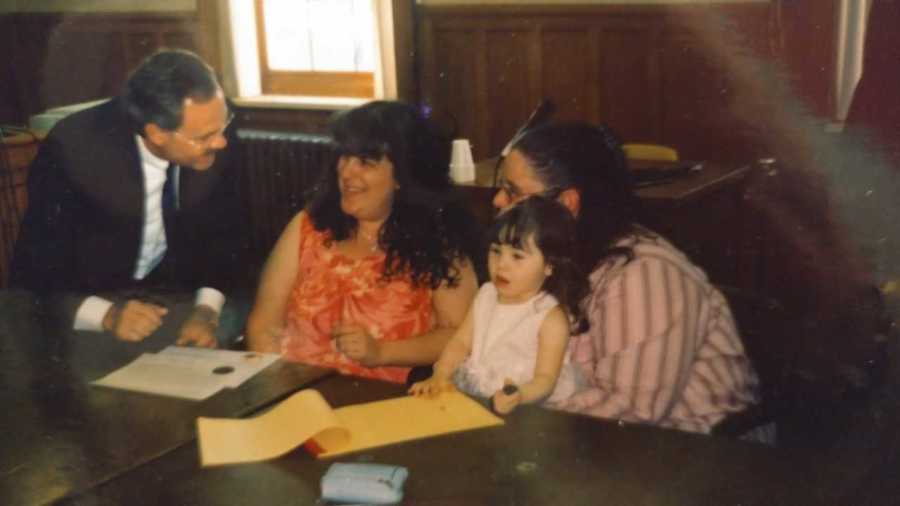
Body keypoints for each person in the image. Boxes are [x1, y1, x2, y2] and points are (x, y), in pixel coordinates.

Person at [492, 122, 760, 434]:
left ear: (567, 204)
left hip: (701, 453)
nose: (498, 200)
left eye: (513, 192)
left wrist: (518, 422)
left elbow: (631, 408)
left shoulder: (646, 275)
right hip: (600, 443)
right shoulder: (552, 261)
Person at [10, 49, 246, 348]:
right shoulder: (74, 151)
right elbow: (35, 271)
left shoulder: (212, 123)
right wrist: (108, 315)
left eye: (222, 127)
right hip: (90, 300)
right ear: (156, 134)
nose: (221, 142)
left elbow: (226, 235)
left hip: (175, 292)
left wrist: (206, 311)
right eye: (204, 138)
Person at [246, 100, 478, 383]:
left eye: (365, 162)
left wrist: (382, 352)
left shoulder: (438, 241)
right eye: (344, 157)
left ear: (402, 176)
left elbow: (460, 334)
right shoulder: (307, 227)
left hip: (382, 403)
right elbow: (264, 326)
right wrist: (277, 388)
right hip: (294, 395)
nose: (346, 172)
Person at [409, 196, 589, 415]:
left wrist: (519, 394)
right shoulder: (486, 295)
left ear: (550, 265)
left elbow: (546, 379)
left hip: (530, 406)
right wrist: (439, 375)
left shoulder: (549, 317)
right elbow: (460, 343)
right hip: (481, 392)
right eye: (495, 251)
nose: (501, 265)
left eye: (517, 256)